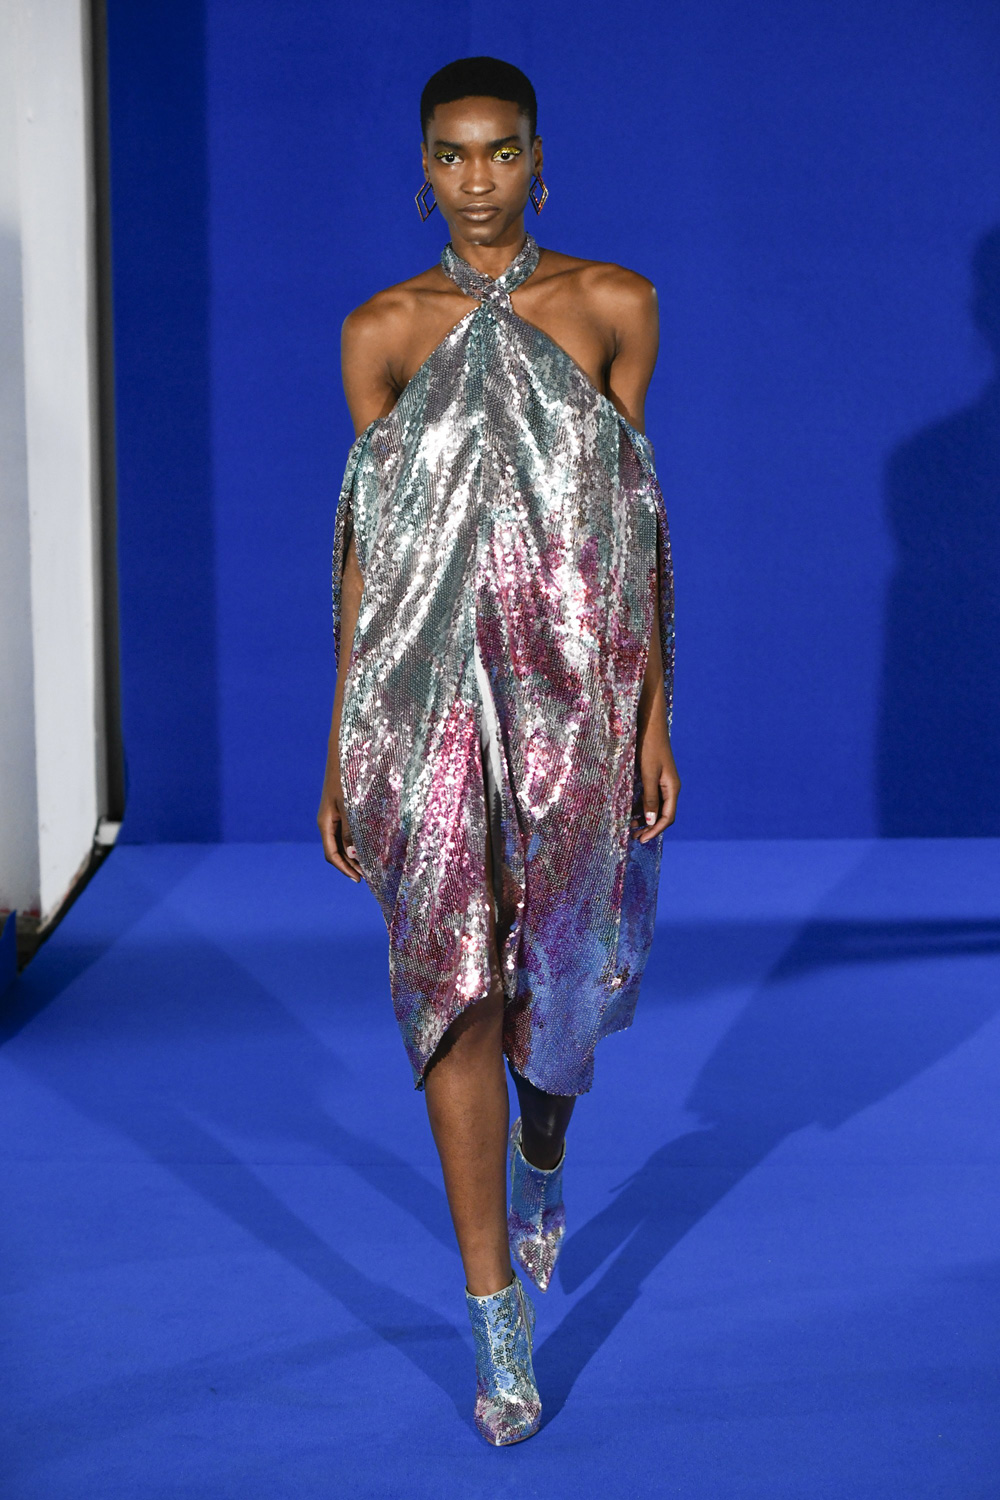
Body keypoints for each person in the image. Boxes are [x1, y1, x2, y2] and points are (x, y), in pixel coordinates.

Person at [318, 55, 679, 1446]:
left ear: (539, 159)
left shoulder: (614, 306)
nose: (478, 180)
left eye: (502, 151)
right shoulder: (380, 331)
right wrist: (340, 741)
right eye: (452, 155)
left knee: (556, 992)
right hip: (420, 709)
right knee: (451, 990)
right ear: (423, 171)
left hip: (572, 699)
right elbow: (367, 550)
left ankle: (545, 1134)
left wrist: (652, 715)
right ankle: (494, 1318)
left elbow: (636, 527)